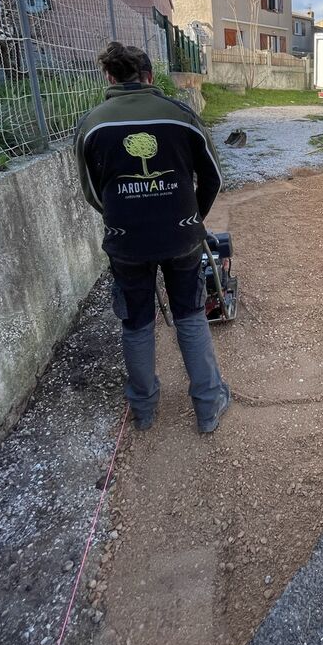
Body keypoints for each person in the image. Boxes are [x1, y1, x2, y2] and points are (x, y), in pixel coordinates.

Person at [74, 42, 230, 433]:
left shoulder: (92, 124)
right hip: (181, 239)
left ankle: (143, 410)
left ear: (109, 77)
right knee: (190, 317)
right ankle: (208, 407)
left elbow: (92, 192)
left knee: (136, 323)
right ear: (148, 77)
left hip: (126, 242)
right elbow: (213, 176)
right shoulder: (181, 116)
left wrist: (123, 217)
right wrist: (193, 218)